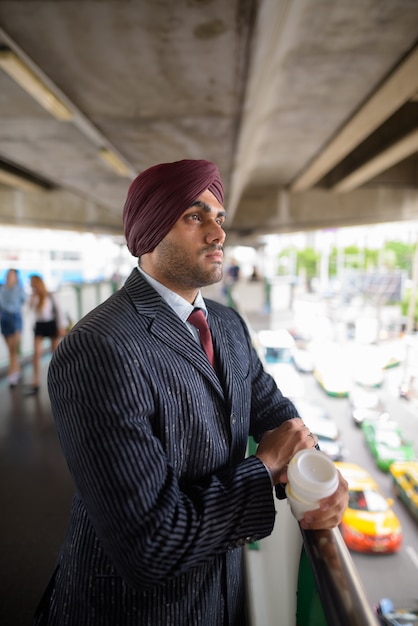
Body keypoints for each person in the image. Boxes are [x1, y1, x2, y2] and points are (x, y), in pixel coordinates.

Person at [34, 159, 348, 626]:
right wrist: (263, 469)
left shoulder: (227, 324)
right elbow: (149, 544)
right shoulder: (99, 347)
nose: (218, 233)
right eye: (194, 216)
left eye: (219, 218)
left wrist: (318, 476)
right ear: (150, 230)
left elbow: (281, 419)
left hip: (219, 600)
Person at [26, 274, 67, 395]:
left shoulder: (50, 295)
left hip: (50, 324)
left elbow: (59, 311)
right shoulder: (33, 297)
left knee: (55, 352)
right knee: (37, 353)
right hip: (39, 325)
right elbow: (28, 312)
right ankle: (36, 381)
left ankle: (60, 378)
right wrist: (32, 300)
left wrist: (61, 326)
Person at [0, 268, 27, 387]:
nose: (9, 277)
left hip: (15, 318)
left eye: (12, 275)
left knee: (13, 349)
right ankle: (17, 370)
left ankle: (12, 376)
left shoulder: (19, 289)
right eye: (8, 275)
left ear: (16, 277)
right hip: (4, 319)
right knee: (11, 349)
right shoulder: (2, 288)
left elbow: (25, 300)